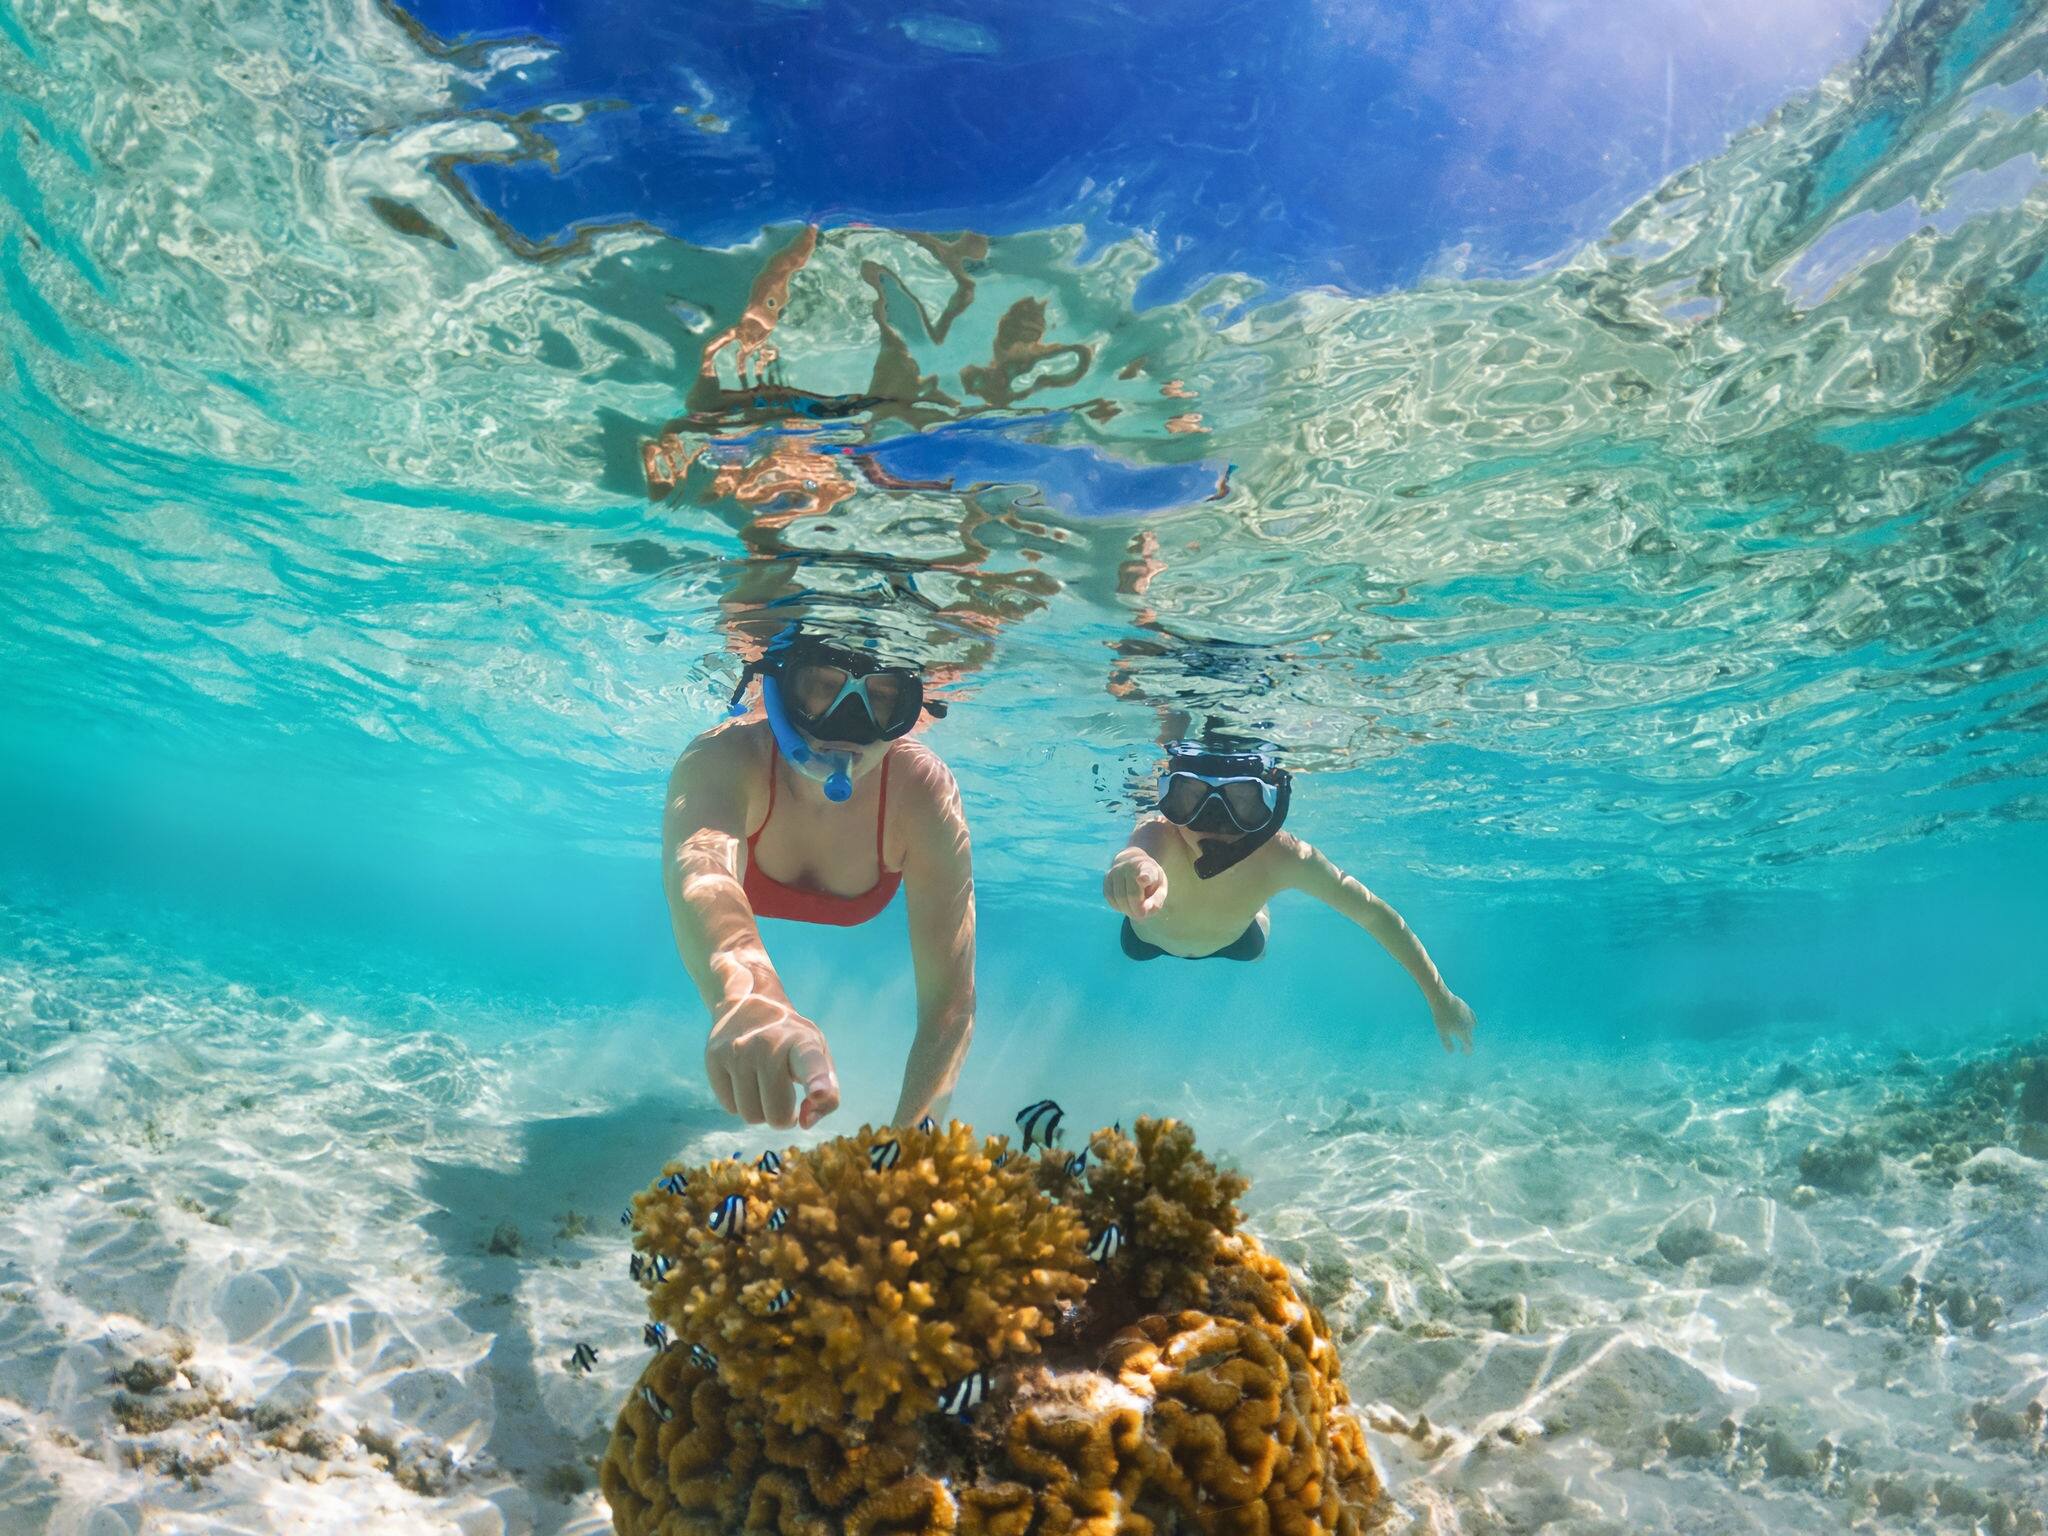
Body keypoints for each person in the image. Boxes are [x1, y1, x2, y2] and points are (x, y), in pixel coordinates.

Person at [662, 630, 976, 1130]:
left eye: (882, 698)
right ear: (779, 686)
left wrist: (905, 1152)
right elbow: (703, 873)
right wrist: (747, 997)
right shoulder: (725, 758)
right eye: (821, 687)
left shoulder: (921, 790)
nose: (848, 723)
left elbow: (950, 1006)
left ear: (909, 708)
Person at [1102, 741, 1478, 1053]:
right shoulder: (1161, 834)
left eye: (1242, 802)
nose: (1214, 821)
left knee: (1257, 944)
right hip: (1144, 941)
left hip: (1240, 943)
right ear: (1168, 797)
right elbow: (1137, 852)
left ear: (1271, 805)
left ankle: (1257, 907)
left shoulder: (1283, 856)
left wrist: (1440, 996)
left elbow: (1374, 914)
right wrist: (1132, 866)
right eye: (1190, 798)